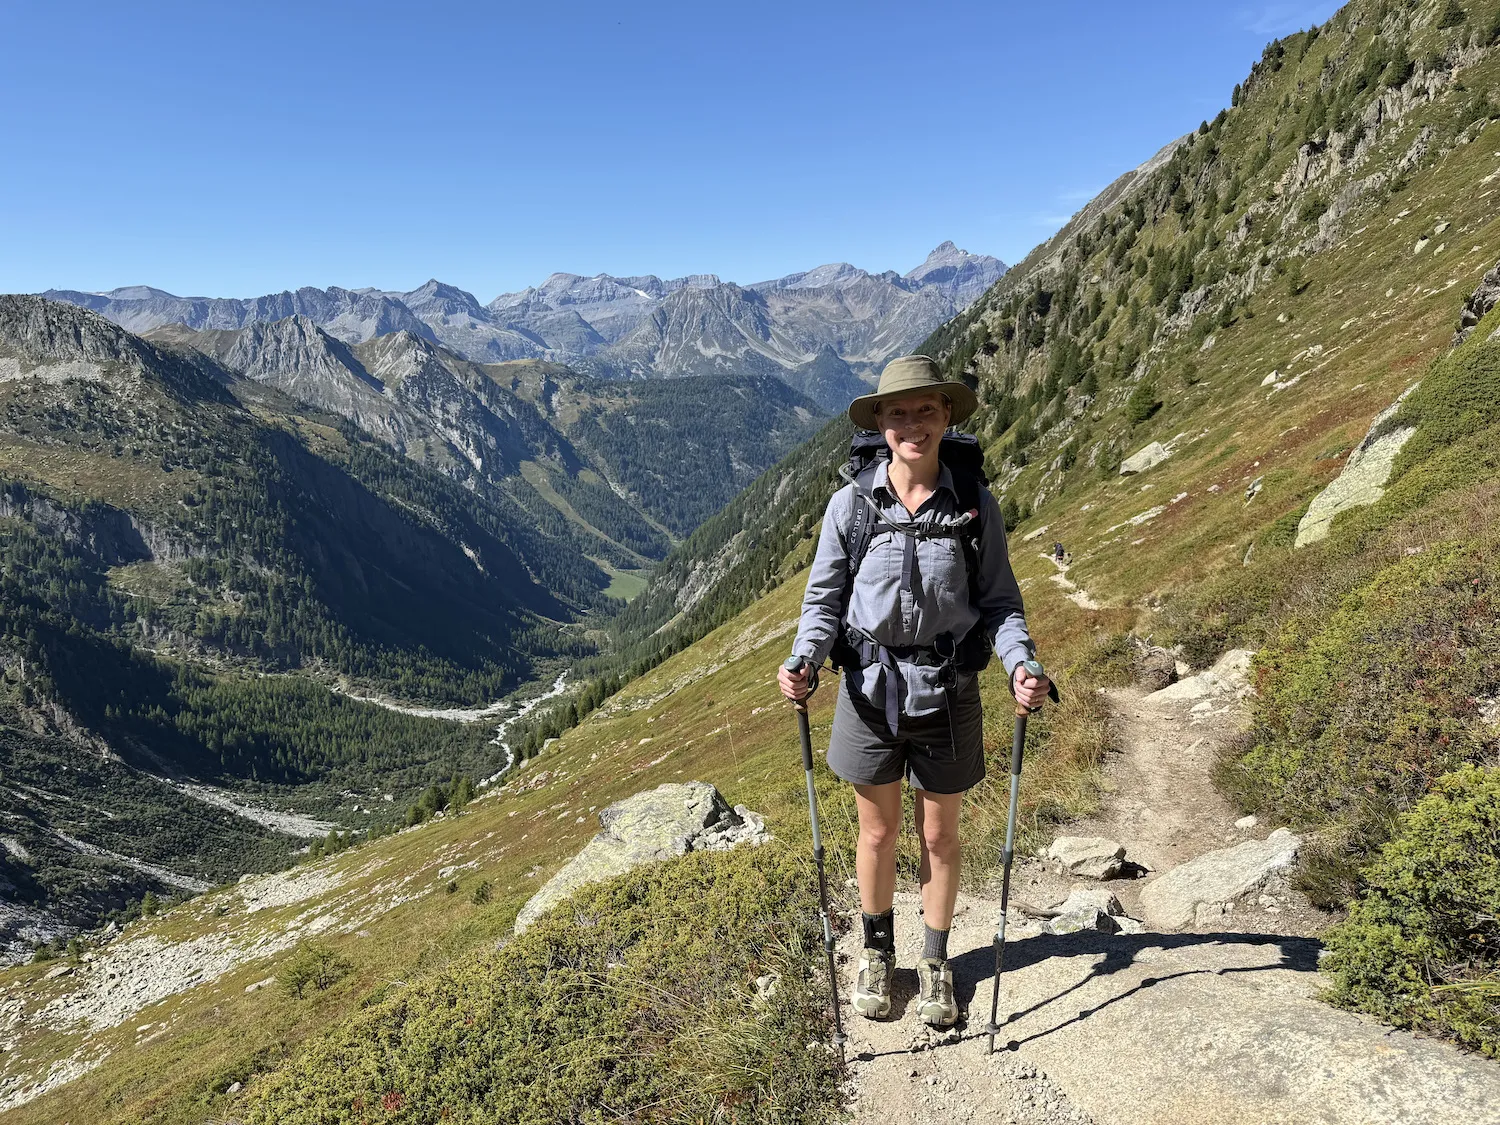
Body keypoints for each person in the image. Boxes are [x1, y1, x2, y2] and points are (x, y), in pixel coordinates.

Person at [777, 353, 1051, 1029]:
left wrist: (1021, 662)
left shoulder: (974, 506)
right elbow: (824, 602)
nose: (912, 424)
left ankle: (934, 962)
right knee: (876, 831)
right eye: (897, 412)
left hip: (949, 691)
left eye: (926, 410)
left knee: (940, 836)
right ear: (880, 422)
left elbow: (1000, 604)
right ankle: (877, 953)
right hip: (869, 691)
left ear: (947, 415)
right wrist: (805, 657)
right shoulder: (851, 505)